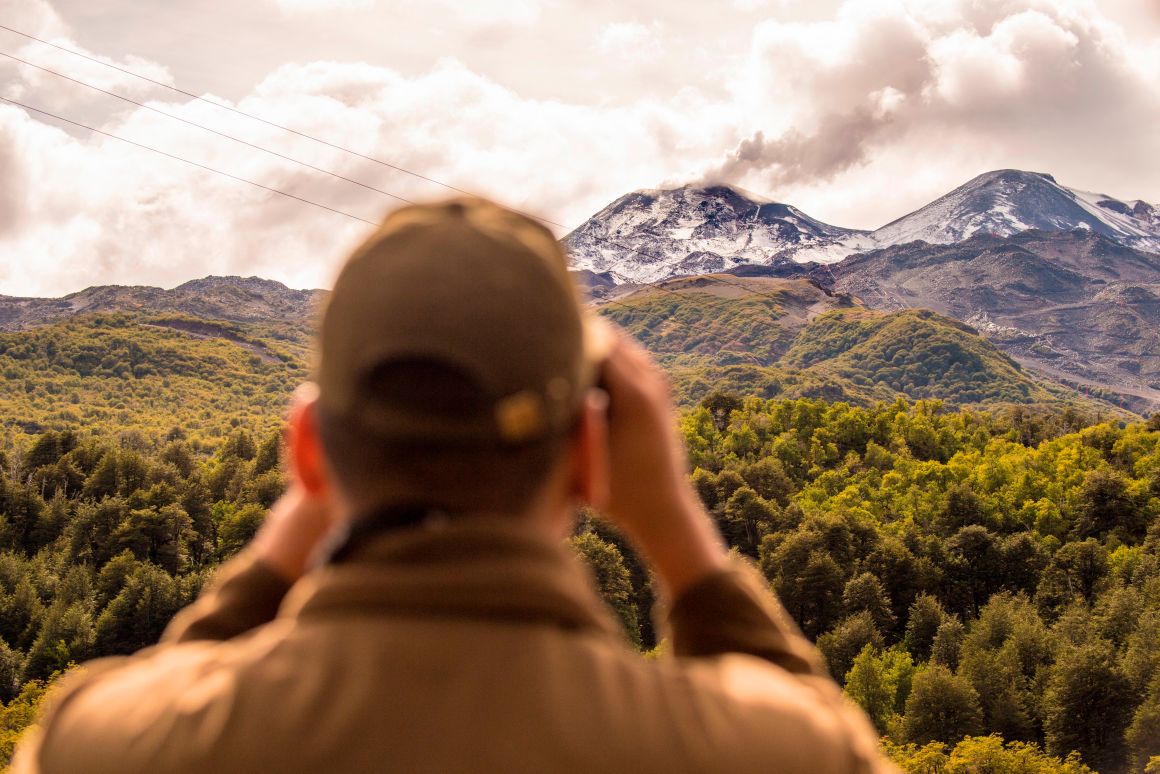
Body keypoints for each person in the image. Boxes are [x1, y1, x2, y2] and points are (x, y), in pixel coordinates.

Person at [13, 198, 896, 773]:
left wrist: (271, 559)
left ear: (310, 454)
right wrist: (682, 542)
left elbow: (170, 703)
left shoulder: (103, 744)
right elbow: (814, 736)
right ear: (589, 457)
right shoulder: (771, 750)